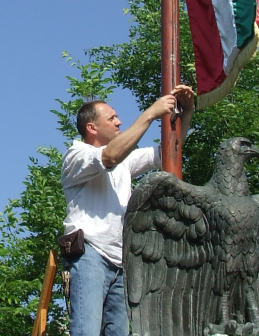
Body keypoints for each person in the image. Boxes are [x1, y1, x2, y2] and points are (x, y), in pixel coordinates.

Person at [60, 85, 195, 336]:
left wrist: (187, 113)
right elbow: (109, 157)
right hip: (90, 255)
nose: (119, 121)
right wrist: (150, 114)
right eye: (111, 118)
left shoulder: (124, 161)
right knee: (85, 331)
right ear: (92, 128)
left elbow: (169, 151)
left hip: (122, 262)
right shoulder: (77, 155)